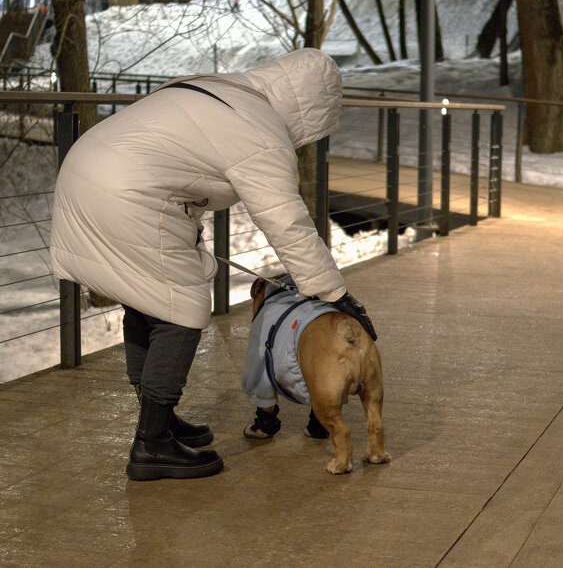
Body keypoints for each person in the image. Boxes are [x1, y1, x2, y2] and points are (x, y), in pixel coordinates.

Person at [50, 48, 376, 481]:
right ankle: (152, 444)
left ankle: (158, 420)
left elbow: (176, 175)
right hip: (125, 196)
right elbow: (286, 222)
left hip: (82, 173)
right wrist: (336, 294)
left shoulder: (220, 89)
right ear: (311, 109)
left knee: (145, 302)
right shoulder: (260, 128)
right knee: (180, 310)